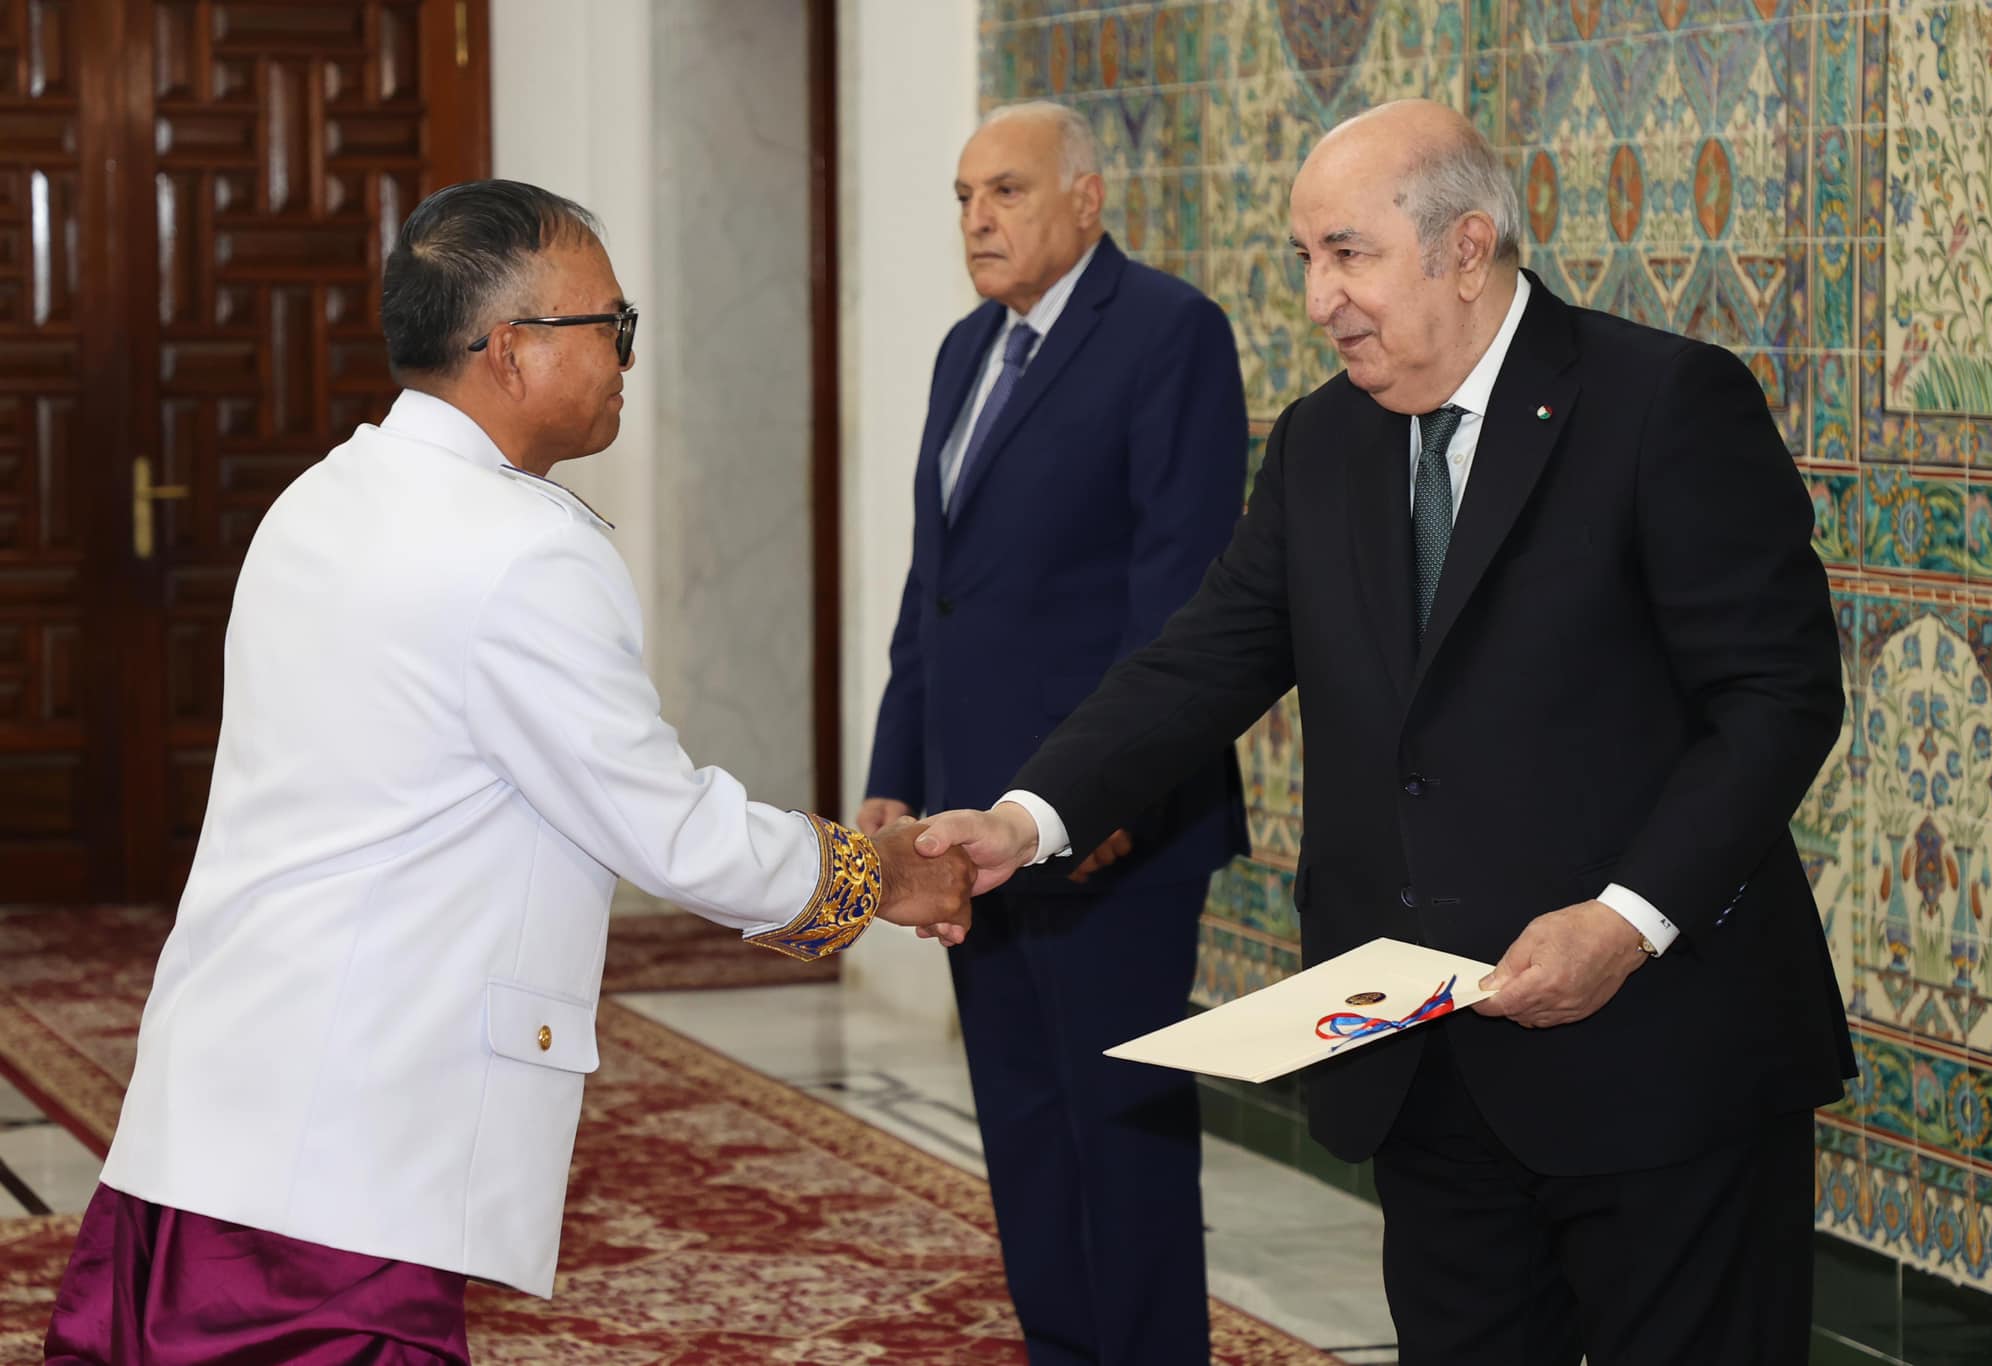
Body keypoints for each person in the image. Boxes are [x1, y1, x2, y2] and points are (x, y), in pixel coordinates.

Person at [917, 100, 1854, 1366]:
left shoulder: (1659, 402)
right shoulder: (1322, 441)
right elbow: (1200, 662)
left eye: (1345, 253)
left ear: (1464, 249)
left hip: (1658, 1058)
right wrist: (1024, 820)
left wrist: (1624, 919)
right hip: (1420, 1067)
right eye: (1305, 257)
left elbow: (1775, 698)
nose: (1319, 299)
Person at [44, 179, 972, 1366]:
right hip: (355, 1130)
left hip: (223, 1090)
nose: (627, 355)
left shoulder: (323, 494)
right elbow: (664, 825)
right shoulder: (520, 550)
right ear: (511, 348)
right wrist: (874, 873)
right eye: (611, 325)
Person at [858, 101, 1248, 1363]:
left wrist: (1105, 796)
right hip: (966, 821)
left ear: (1086, 198)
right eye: (963, 196)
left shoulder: (1168, 333)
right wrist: (893, 775)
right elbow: (936, 587)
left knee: (1118, 1131)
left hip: (1109, 827)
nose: (977, 218)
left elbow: (1177, 596)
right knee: (1022, 1126)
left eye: (1007, 191)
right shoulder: (964, 349)